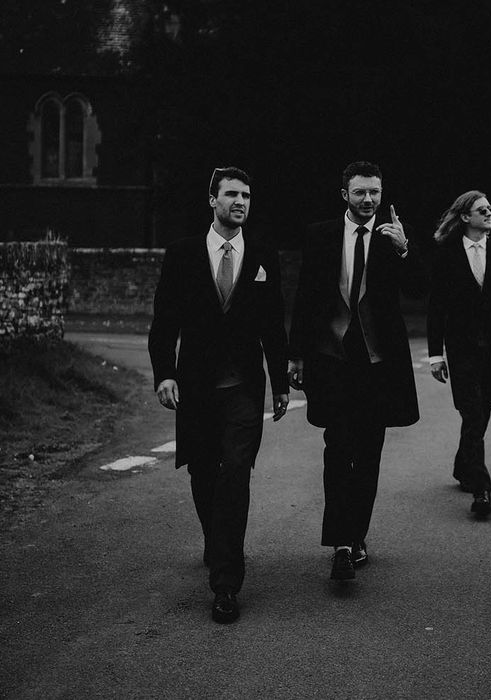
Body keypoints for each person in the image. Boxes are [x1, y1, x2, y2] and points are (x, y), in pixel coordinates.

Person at [148, 166, 289, 623]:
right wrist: (165, 374)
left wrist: (282, 384)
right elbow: (164, 321)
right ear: (212, 200)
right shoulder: (183, 254)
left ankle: (227, 583)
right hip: (196, 387)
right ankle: (216, 541)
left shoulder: (264, 255)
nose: (240, 202)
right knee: (204, 473)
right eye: (231, 194)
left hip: (244, 389)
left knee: (236, 474)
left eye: (246, 195)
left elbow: (273, 325)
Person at [288, 161, 425, 580]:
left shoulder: (391, 237)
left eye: (375, 193)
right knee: (337, 449)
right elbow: (306, 296)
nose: (369, 200)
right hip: (332, 360)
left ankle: (356, 533)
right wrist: (296, 356)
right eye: (361, 192)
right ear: (344, 194)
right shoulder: (321, 235)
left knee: (368, 455)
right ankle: (342, 544)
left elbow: (420, 291)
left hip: (378, 365)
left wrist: (405, 249)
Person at [427, 190, 491, 517]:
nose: (489, 214)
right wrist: (434, 354)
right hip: (461, 350)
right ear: (465, 216)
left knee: (479, 415)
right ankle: (482, 489)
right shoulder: (446, 254)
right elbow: (436, 308)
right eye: (482, 210)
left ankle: (462, 465)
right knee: (472, 414)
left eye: (490, 209)